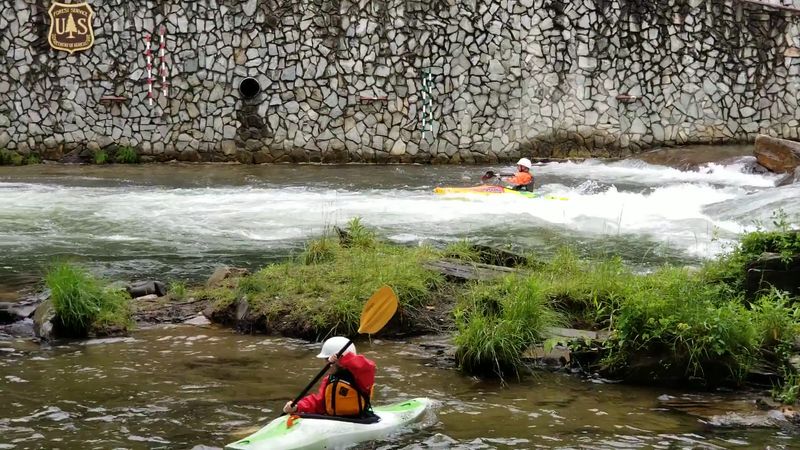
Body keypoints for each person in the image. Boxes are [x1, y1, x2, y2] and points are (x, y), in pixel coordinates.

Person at [282, 336, 376, 418]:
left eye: (327, 359)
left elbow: (368, 366)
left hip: (360, 419)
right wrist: (297, 406)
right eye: (325, 360)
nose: (326, 363)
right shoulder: (329, 379)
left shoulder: (360, 377)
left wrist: (343, 359)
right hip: (334, 421)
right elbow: (319, 402)